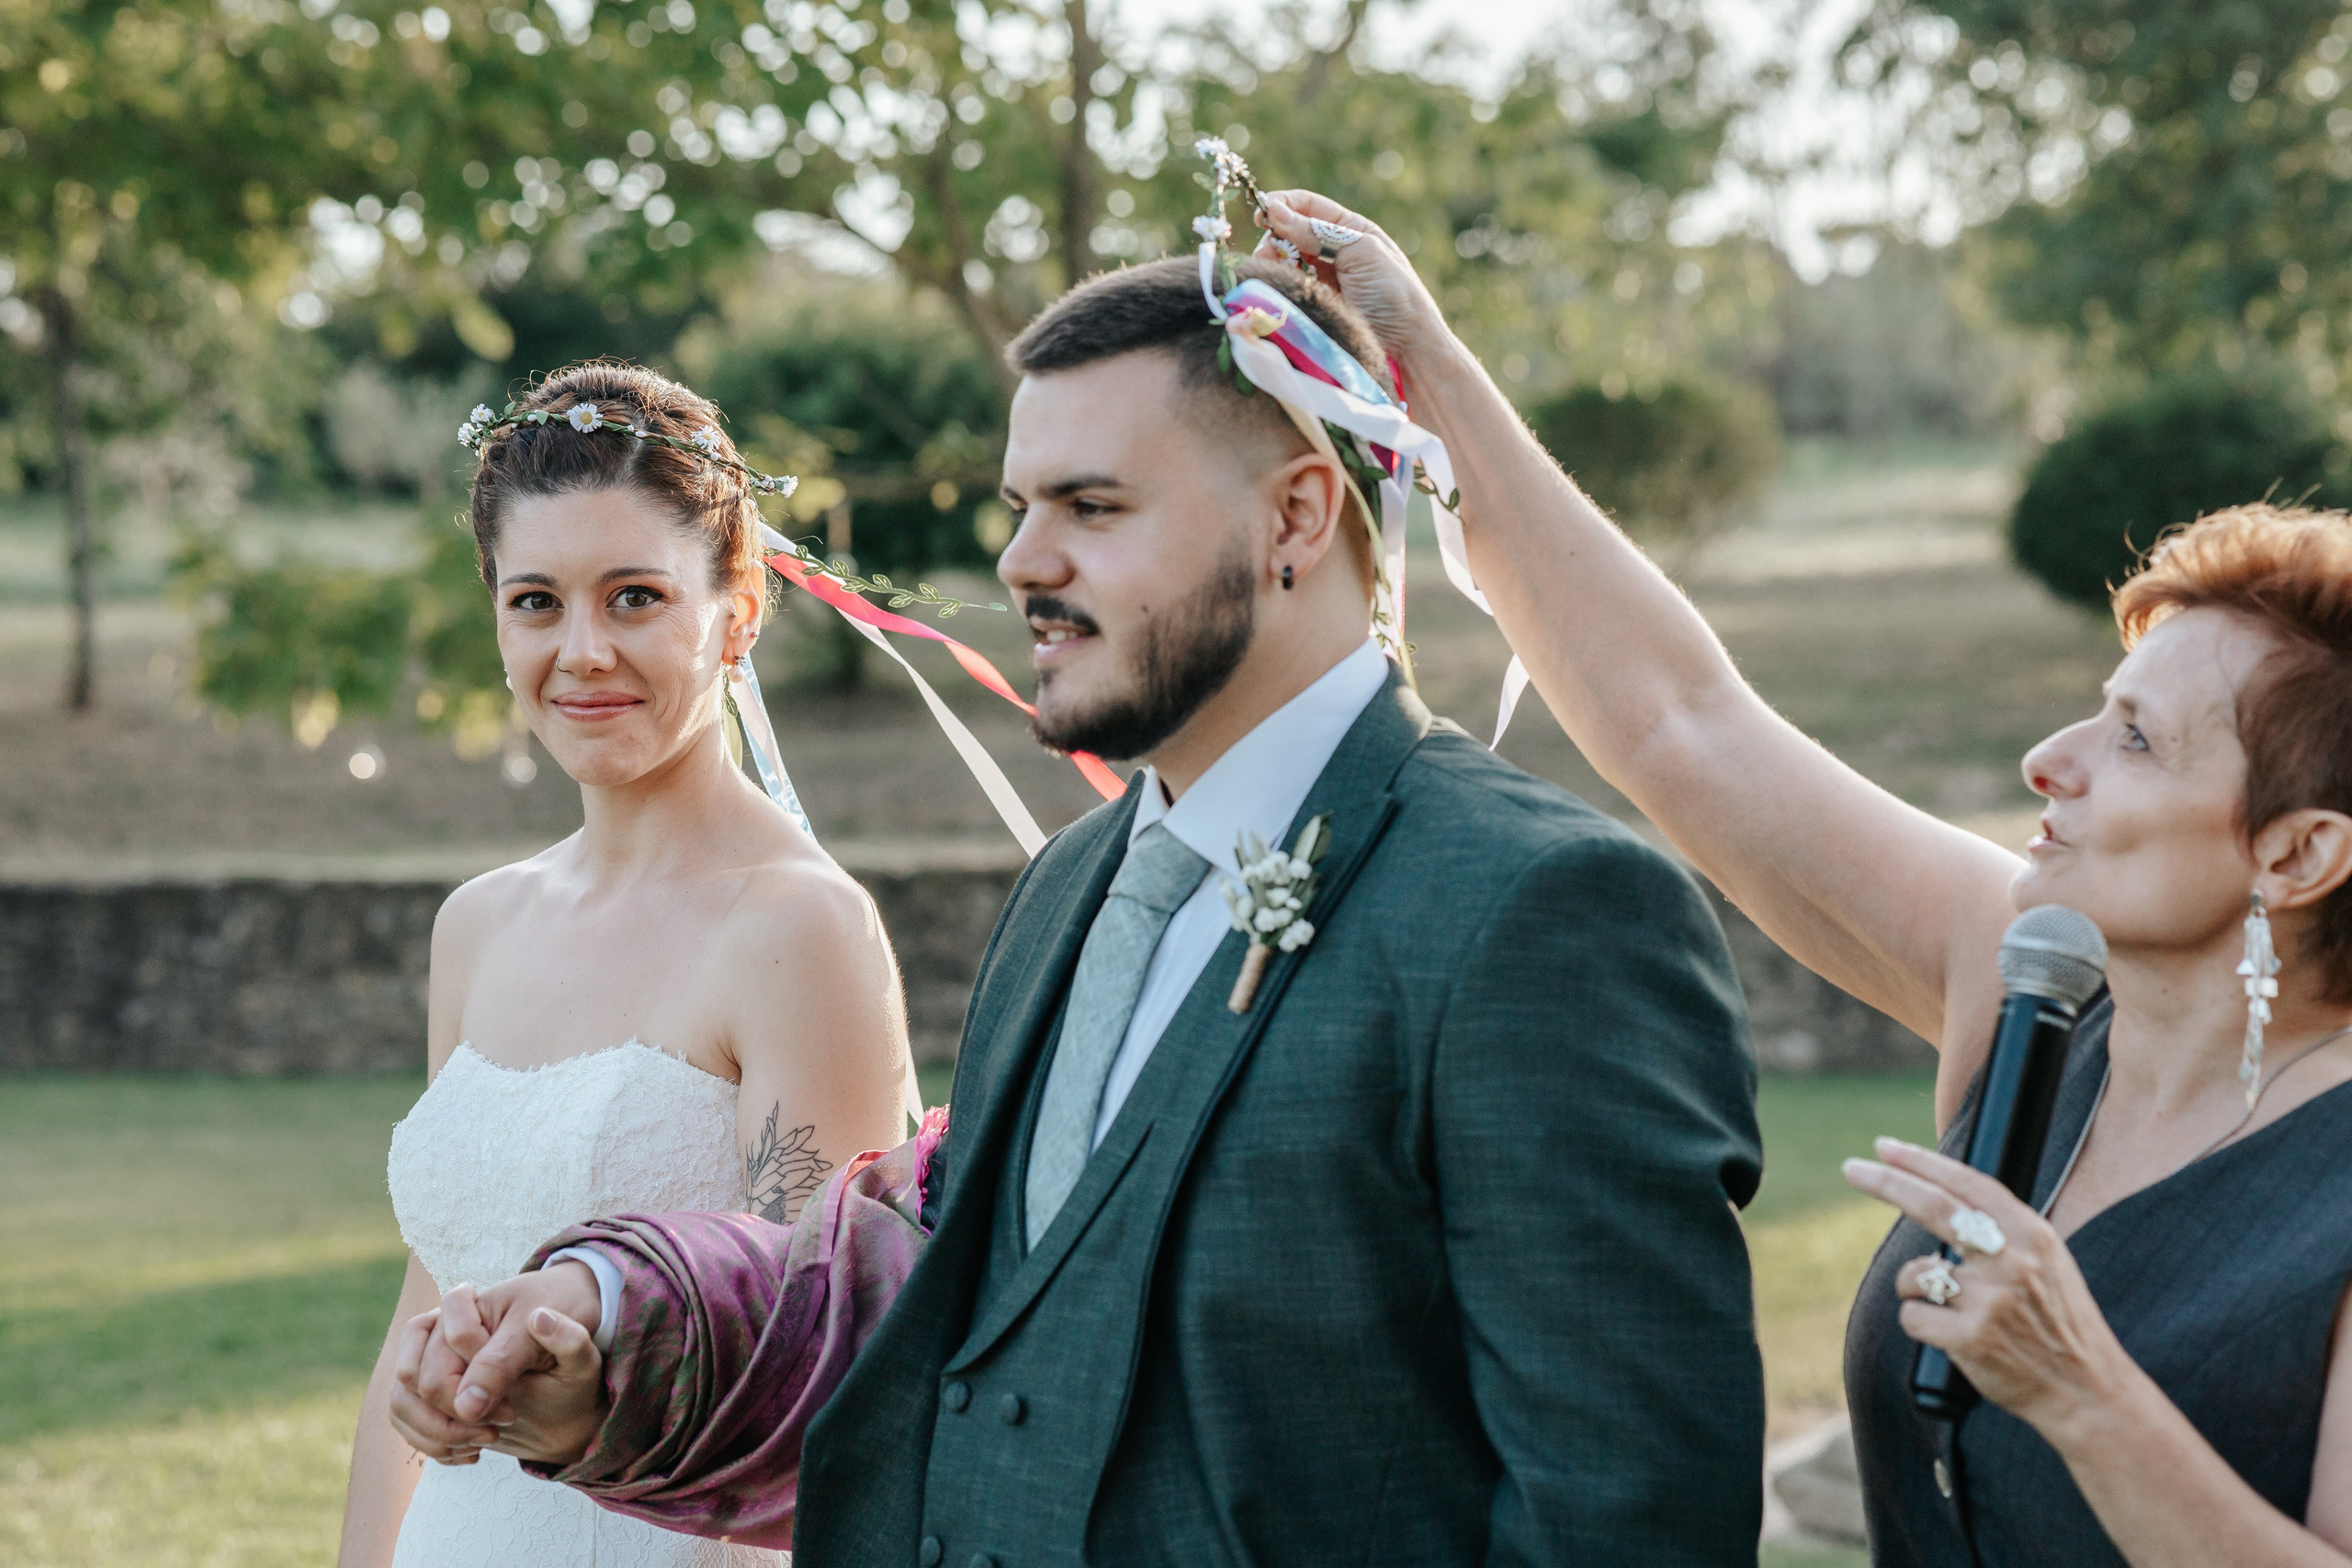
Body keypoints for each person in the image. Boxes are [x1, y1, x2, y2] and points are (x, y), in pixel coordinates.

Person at [386, 253, 1770, 1564]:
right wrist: (602, 1324)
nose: (1021, 563)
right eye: (1021, 508)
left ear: (1295, 518)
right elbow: (899, 1295)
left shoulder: (1540, 911)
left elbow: (1621, 1516)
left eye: (1091, 508)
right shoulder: (1067, 893)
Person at [1238, 188, 2352, 1565]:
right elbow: (1684, 726)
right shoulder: (2019, 993)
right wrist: (1428, 361)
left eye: (2134, 739)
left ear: (2299, 853)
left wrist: (2083, 1393)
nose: (2048, 760)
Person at [336, 363, 913, 1568]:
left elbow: (826, 1368)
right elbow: (422, 1316)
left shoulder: (798, 927)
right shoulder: (478, 925)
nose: (583, 651)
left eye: (636, 597)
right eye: (537, 603)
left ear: (738, 612)